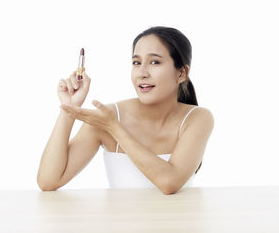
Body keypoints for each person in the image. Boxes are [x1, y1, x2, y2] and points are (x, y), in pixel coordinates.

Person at [37, 26, 214, 194]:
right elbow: (48, 181)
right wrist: (69, 108)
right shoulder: (108, 116)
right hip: (122, 226)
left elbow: (169, 183)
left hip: (179, 225)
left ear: (182, 73)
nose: (142, 72)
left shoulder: (197, 118)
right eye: (136, 63)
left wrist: (114, 128)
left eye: (154, 62)